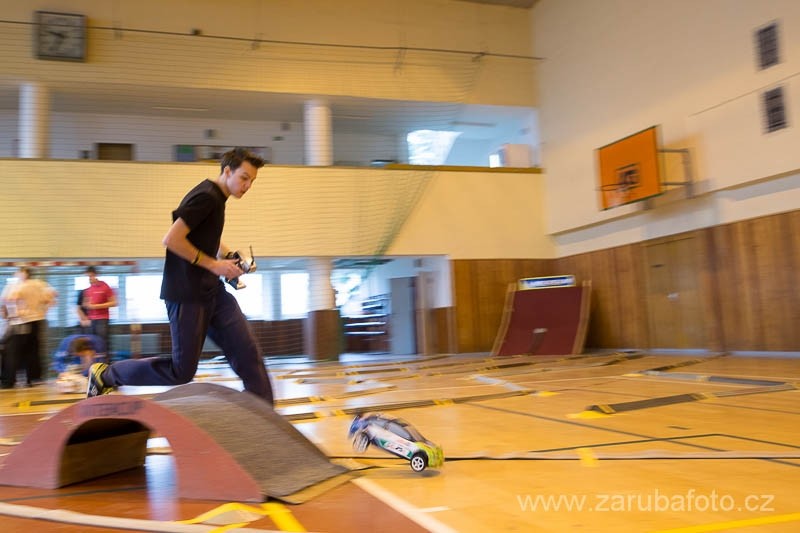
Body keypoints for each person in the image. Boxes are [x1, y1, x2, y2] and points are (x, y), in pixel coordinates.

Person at [87, 147, 274, 405]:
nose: (248, 185)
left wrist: (227, 254)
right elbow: (172, 239)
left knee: (246, 350)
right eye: (244, 178)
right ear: (227, 171)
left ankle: (263, 411)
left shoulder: (218, 199)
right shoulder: (207, 196)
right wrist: (214, 265)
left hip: (213, 292)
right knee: (181, 371)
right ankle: (106, 375)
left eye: (252, 180)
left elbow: (204, 235)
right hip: (187, 296)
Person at [1, 266, 57, 388]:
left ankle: (9, 381)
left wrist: (11, 314)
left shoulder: (17, 285)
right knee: (32, 351)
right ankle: (33, 379)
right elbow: (53, 296)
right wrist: (44, 310)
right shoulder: (40, 284)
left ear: (23, 273)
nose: (15, 275)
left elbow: (9, 299)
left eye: (17, 272)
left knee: (13, 352)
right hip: (37, 321)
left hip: (20, 322)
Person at [80, 266, 117, 353]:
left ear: (96, 275)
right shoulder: (88, 289)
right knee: (92, 343)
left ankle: (104, 360)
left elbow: (114, 303)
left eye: (91, 276)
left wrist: (96, 306)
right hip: (91, 319)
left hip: (102, 319)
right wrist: (86, 305)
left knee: (102, 342)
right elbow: (85, 304)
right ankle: (95, 360)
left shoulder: (105, 286)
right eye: (88, 277)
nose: (89, 279)